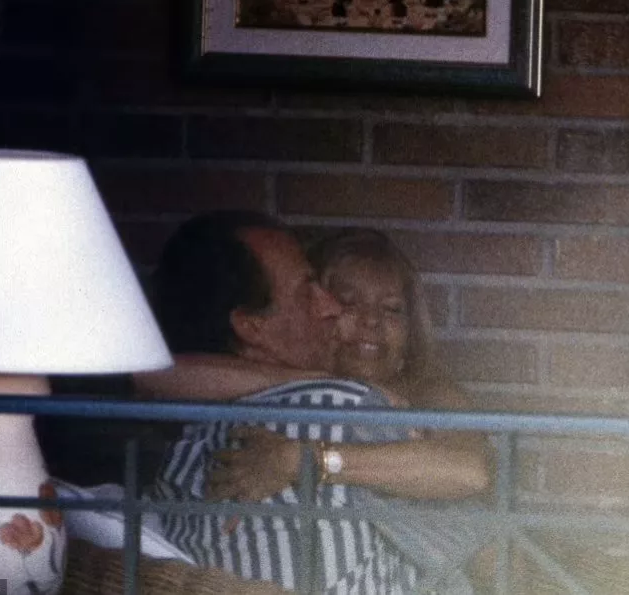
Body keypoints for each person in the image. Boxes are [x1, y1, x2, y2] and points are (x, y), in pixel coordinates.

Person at [138, 221, 493, 592]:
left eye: (392, 309)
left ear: (411, 333)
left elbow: (470, 478)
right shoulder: (328, 395)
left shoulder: (427, 392)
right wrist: (314, 379)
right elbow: (151, 376)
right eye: (347, 302)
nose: (371, 321)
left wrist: (303, 459)